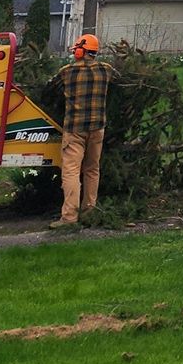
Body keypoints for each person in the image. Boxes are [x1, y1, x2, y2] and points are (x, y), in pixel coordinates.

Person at [52, 32, 114, 228]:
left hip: (74, 128)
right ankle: (89, 211)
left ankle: (69, 217)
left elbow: (50, 88)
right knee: (92, 169)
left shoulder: (67, 72)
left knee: (71, 171)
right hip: (97, 128)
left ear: (80, 51)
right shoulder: (106, 70)